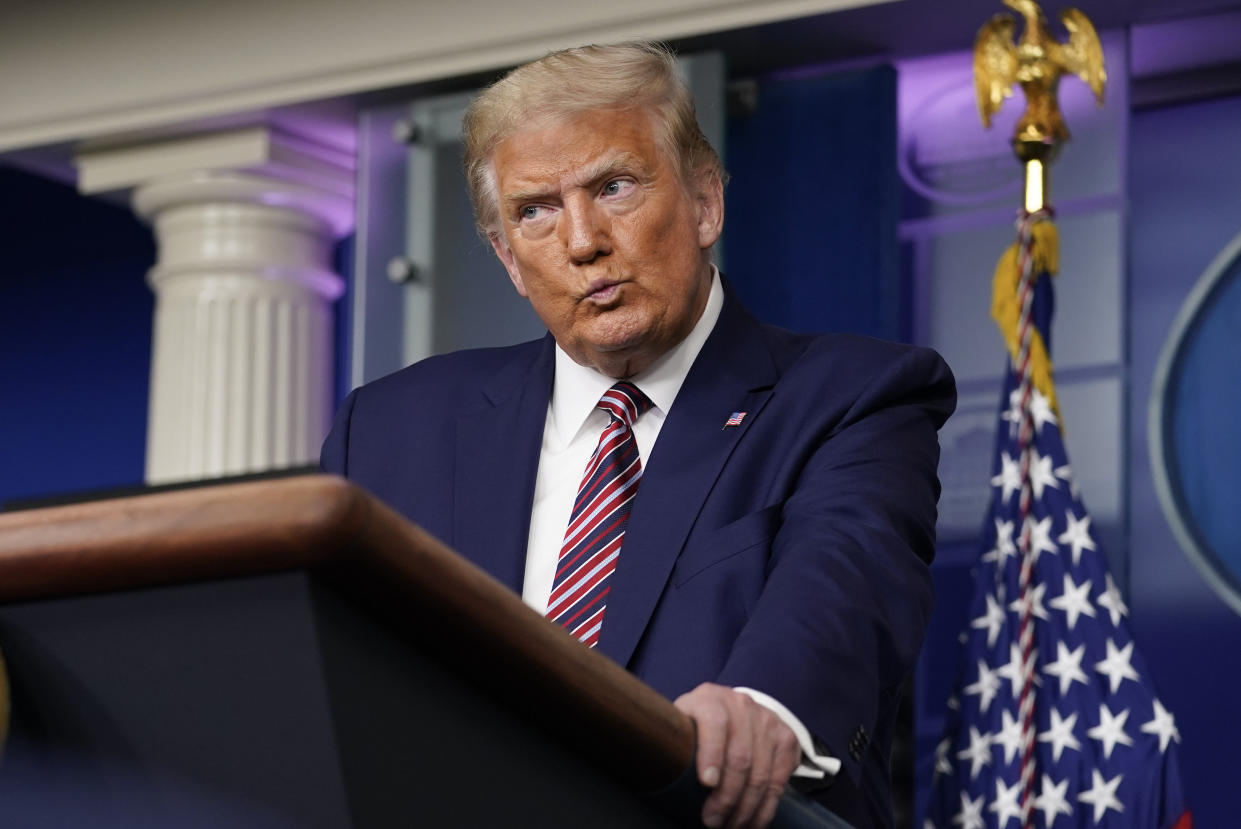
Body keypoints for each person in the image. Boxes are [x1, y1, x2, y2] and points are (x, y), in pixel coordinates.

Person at [322, 42, 955, 829]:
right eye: (535, 211)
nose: (581, 241)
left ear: (703, 201)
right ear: (508, 260)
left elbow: (845, 579)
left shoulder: (851, 397)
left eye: (613, 186)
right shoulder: (388, 429)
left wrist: (761, 707)